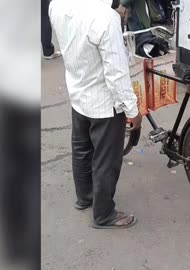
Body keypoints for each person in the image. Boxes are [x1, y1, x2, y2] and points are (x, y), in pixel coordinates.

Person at [49, 0, 142, 229]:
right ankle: (104, 214)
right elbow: (117, 74)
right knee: (106, 161)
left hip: (79, 92)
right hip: (104, 104)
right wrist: (133, 110)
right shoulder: (105, 18)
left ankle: (85, 198)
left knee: (81, 149)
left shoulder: (57, 5)